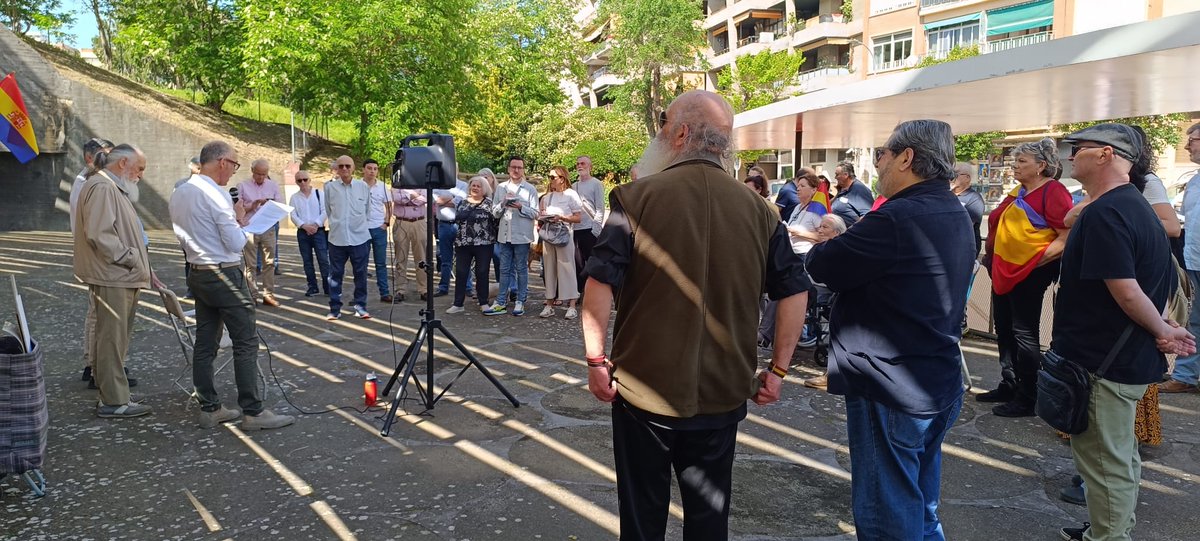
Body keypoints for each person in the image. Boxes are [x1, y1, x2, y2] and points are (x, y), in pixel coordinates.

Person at [581, 90, 810, 540]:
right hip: (723, 392)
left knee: (642, 516)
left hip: (645, 391)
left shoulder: (634, 198)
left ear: (681, 133)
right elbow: (795, 291)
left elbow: (599, 282)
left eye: (665, 124)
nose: (660, 133)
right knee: (709, 519)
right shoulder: (762, 212)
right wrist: (779, 369)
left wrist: (594, 360)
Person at [805, 120, 975, 540]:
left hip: (892, 385)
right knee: (919, 505)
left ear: (906, 157)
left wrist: (830, 242)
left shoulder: (898, 216)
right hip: (932, 378)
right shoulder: (948, 207)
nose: (877, 163)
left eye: (881, 153)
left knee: (887, 512)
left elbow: (822, 266)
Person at [1051, 123, 1194, 541]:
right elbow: (1149, 281)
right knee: (1118, 455)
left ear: (1106, 155)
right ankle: (1107, 528)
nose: (1070, 154)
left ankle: (1109, 536)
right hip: (1119, 357)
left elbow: (1128, 290)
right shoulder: (1133, 206)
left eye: (1078, 147)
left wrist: (1165, 331)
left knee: (1104, 461)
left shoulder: (1107, 212)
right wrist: (1164, 327)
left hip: (1103, 363)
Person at [170, 140, 295, 430]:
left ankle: (209, 407)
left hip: (197, 271)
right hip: (224, 272)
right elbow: (237, 242)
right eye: (235, 165)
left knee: (205, 340)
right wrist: (240, 219)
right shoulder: (216, 195)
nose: (233, 172)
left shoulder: (180, 192)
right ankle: (253, 410)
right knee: (246, 340)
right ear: (222, 162)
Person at [979, 139, 1072, 417]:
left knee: (1024, 332)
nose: (1015, 166)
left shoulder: (1054, 192)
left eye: (1022, 162)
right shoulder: (1019, 191)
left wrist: (1031, 264)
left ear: (1041, 166)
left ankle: (1028, 395)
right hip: (1003, 269)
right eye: (1016, 161)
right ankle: (1010, 383)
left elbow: (1065, 236)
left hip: (1030, 272)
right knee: (1005, 329)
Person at [74, 144, 153, 418]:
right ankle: (113, 401)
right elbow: (100, 234)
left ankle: (116, 394)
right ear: (122, 164)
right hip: (114, 275)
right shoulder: (104, 187)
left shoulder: (107, 186)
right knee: (112, 339)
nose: (140, 175)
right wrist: (130, 257)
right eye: (139, 168)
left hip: (119, 275)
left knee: (114, 339)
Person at [759, 168, 824, 350]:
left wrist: (799, 232)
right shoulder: (797, 207)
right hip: (790, 253)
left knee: (783, 287)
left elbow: (822, 236)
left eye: (803, 186)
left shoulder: (817, 209)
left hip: (805, 257)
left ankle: (765, 333)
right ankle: (767, 333)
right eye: (798, 186)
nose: (798, 189)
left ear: (813, 190)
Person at [69, 137, 115, 387]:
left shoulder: (92, 182)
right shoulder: (87, 183)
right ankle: (95, 365)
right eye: (106, 155)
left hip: (96, 255)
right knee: (98, 314)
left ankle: (94, 363)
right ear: (91, 158)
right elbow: (90, 227)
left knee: (96, 313)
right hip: (98, 258)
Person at [1160, 121, 1200, 394]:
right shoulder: (1194, 180)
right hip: (1194, 260)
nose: (1186, 146)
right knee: (1193, 320)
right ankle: (1185, 376)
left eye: (1193, 140)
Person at [485, 156, 539, 316]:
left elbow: (536, 213)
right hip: (504, 235)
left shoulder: (530, 189)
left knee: (522, 268)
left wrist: (521, 206)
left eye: (519, 167)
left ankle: (520, 300)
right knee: (504, 269)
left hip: (521, 236)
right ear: (508, 169)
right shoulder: (501, 188)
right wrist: (502, 204)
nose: (516, 170)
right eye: (513, 167)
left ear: (523, 170)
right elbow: (494, 213)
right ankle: (501, 301)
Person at [801, 213, 847, 390]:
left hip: (828, 293)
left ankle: (832, 374)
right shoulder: (821, 248)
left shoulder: (837, 249)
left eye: (825, 227)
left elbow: (829, 278)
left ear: (837, 233)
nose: (820, 230)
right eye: (819, 226)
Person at [324, 155, 373, 320]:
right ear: (336, 169)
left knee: (361, 274)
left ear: (353, 168)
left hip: (360, 238)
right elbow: (329, 211)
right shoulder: (330, 188)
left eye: (347, 166)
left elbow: (367, 210)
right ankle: (334, 309)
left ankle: (360, 306)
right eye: (341, 166)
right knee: (335, 275)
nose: (344, 169)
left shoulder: (363, 187)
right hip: (337, 239)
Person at [447, 176, 498, 313]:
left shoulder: (489, 203)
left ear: (484, 189)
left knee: (482, 273)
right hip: (463, 243)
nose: (475, 188)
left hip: (484, 244)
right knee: (461, 272)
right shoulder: (462, 203)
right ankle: (458, 304)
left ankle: (483, 302)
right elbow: (457, 219)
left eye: (478, 186)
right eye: (473, 185)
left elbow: (495, 223)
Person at [538, 166, 583, 319]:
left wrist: (562, 217)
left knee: (567, 268)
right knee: (549, 269)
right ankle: (549, 303)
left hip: (564, 234)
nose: (550, 180)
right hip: (549, 234)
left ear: (562, 178)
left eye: (553, 177)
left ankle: (571, 305)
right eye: (549, 177)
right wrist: (544, 217)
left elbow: (578, 218)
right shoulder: (546, 197)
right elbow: (540, 216)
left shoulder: (571, 195)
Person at [237, 159, 282, 307]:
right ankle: (252, 294)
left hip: (268, 227)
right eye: (258, 174)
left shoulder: (273, 185)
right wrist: (253, 205)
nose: (261, 177)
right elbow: (238, 208)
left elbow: (280, 205)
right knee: (250, 264)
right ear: (252, 171)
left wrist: (270, 204)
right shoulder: (242, 186)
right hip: (250, 227)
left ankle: (268, 294)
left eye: (264, 174)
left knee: (269, 262)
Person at [289, 170, 330, 297]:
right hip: (303, 232)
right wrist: (304, 226)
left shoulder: (319, 194)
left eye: (305, 179)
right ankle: (312, 286)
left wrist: (316, 224)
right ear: (296, 182)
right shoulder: (294, 197)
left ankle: (328, 287)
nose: (302, 182)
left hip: (319, 231)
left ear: (310, 180)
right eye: (299, 180)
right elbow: (292, 214)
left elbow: (325, 210)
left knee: (323, 259)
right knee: (307, 261)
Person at [572, 156, 605, 296]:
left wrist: (595, 230)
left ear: (590, 166)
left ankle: (594, 293)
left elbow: (600, 208)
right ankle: (580, 292)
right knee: (578, 264)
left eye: (583, 163)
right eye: (578, 164)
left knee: (592, 263)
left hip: (590, 230)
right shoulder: (573, 186)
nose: (580, 166)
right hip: (575, 230)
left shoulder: (596, 184)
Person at [391, 180, 428, 302]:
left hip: (419, 222)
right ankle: (400, 290)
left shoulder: (423, 181)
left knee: (421, 257)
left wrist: (407, 196)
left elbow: (425, 198)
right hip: (402, 222)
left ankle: (423, 289)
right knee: (400, 257)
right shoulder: (398, 182)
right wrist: (415, 196)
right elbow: (396, 198)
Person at [362, 159, 393, 303]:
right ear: (363, 169)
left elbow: (388, 206)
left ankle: (385, 293)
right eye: (369, 168)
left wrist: (386, 223)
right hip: (362, 229)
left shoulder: (382, 187)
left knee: (381, 263)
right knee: (361, 263)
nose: (372, 171)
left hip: (379, 228)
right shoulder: (357, 185)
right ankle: (360, 295)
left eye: (375, 169)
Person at [433, 176, 470, 298]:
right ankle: (443, 287)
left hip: (461, 225)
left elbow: (463, 202)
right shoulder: (437, 184)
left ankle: (467, 287)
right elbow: (436, 201)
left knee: (464, 258)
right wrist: (454, 197)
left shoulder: (464, 185)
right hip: (443, 225)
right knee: (445, 259)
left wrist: (447, 200)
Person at [950, 162, 985, 258]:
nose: (951, 177)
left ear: (967, 178)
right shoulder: (946, 195)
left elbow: (964, 225)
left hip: (964, 250)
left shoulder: (974, 199)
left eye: (955, 174)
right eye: (950, 173)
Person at [830, 161, 874, 227]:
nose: (835, 177)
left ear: (846, 175)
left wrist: (851, 231)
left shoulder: (859, 190)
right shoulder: (843, 188)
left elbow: (867, 216)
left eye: (837, 174)